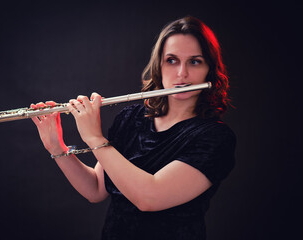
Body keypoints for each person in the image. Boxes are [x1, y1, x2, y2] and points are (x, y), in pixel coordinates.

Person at [31, 16, 236, 240]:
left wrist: (93, 137)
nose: (182, 74)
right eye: (172, 60)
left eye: (195, 61)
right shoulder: (131, 119)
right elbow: (96, 189)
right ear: (159, 65)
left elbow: (150, 197)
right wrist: (57, 147)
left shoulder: (215, 138)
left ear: (210, 69)